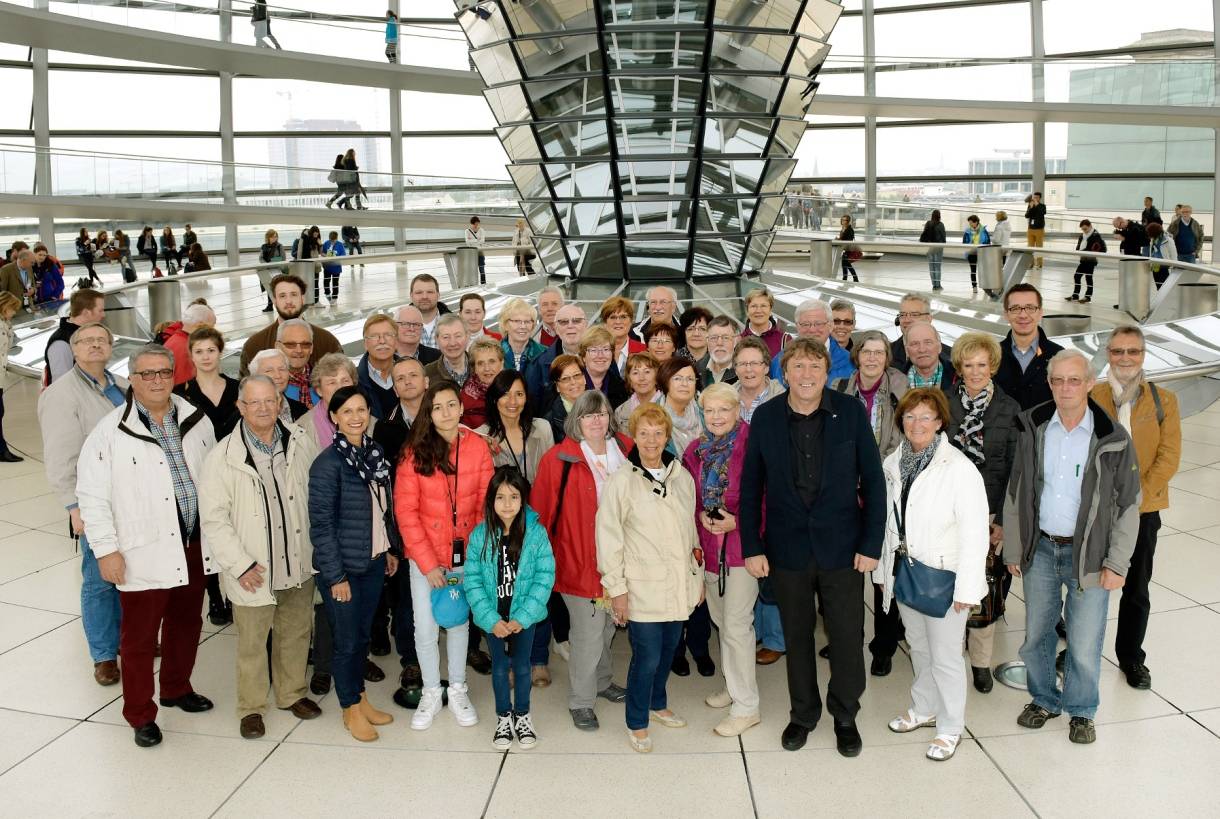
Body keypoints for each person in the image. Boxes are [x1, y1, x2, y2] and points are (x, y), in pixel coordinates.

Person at [739, 338, 886, 756]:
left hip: (843, 549)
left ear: (827, 373)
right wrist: (753, 546)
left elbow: (873, 483)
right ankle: (803, 714)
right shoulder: (766, 418)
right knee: (797, 637)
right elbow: (752, 489)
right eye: (798, 367)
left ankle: (845, 714)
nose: (806, 375)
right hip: (786, 550)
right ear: (784, 373)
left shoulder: (851, 413)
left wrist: (871, 543)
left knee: (845, 635)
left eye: (814, 367)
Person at [77, 344, 219, 748]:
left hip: (192, 543)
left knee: (187, 623)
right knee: (139, 639)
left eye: (163, 372)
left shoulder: (196, 419)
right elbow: (92, 496)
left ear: (174, 374)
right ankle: (140, 713)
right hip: (142, 550)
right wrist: (106, 550)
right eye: (147, 374)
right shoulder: (109, 432)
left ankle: (176, 687)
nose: (157, 380)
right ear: (133, 380)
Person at [1003, 350, 1141, 745]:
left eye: (1074, 380)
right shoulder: (1034, 427)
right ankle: (1044, 699)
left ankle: (1081, 710)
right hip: (1041, 550)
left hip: (1091, 556)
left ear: (1090, 383)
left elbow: (1130, 503)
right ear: (1049, 384)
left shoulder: (1112, 437)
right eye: (1058, 380)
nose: (1066, 387)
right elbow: (1016, 492)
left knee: (1083, 639)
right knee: (1037, 634)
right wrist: (1015, 548)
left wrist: (1117, 562)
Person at [199, 375, 322, 739]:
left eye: (271, 400)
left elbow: (314, 499)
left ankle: (291, 693)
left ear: (280, 403)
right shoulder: (222, 457)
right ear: (241, 407)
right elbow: (214, 520)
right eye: (255, 402)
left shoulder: (300, 443)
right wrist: (239, 565)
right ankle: (251, 707)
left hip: (297, 560)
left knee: (296, 632)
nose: (265, 408)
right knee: (252, 642)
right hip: (254, 568)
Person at [877, 387, 989, 762]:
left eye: (926, 417)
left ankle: (951, 726)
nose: (917, 424)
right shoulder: (894, 463)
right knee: (920, 647)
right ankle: (924, 708)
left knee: (945, 657)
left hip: (945, 578)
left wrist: (969, 588)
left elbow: (976, 535)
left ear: (940, 422)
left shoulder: (958, 469)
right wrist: (883, 573)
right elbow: (889, 525)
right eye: (910, 417)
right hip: (906, 573)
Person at [597, 403, 702, 753]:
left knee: (670, 649)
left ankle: (658, 703)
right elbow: (608, 539)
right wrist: (617, 591)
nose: (652, 440)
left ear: (667, 436)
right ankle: (637, 720)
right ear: (634, 437)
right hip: (641, 586)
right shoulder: (621, 482)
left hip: (678, 583)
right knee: (647, 656)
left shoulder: (681, 476)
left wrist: (697, 579)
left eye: (659, 433)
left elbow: (692, 532)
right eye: (644, 433)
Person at [395, 380, 495, 731]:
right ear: (428, 412)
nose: (446, 413)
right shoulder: (414, 452)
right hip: (425, 559)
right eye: (437, 407)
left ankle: (457, 687)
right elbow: (406, 513)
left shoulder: (478, 448)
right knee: (424, 627)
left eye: (452, 405)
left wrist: (480, 553)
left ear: (461, 407)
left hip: (466, 555)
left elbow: (487, 503)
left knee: (457, 621)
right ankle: (430, 690)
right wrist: (427, 564)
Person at [532, 390, 631, 730]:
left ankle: (602, 682)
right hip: (578, 560)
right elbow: (541, 516)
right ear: (576, 420)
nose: (596, 421)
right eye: (588, 415)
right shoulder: (558, 458)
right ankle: (581, 701)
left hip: (620, 561)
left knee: (606, 628)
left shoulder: (627, 451)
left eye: (601, 413)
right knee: (588, 633)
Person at [1090, 325, 1181, 690]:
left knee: (1136, 587)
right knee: (1087, 584)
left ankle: (1131, 657)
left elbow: (1169, 455)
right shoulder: (1092, 395)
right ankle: (1082, 647)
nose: (1125, 359)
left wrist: (1137, 497)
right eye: (1117, 352)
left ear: (1143, 356)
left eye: (1132, 352)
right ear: (1107, 354)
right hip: (1097, 509)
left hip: (1142, 510)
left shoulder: (1164, 400)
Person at [38, 322, 129, 686]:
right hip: (93, 501)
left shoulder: (119, 388)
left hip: (129, 496)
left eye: (102, 340)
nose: (95, 346)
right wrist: (73, 507)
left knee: (129, 571)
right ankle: (104, 654)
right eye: (87, 341)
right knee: (99, 577)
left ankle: (128, 637)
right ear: (73, 349)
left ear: (111, 346)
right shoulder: (62, 394)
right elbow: (60, 456)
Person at [308, 386, 400, 742]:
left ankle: (361, 699)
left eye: (361, 410)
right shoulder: (327, 465)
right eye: (347, 411)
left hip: (373, 562)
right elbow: (322, 526)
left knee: (361, 637)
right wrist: (335, 576)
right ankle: (349, 708)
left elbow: (381, 510)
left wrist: (389, 548)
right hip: (343, 570)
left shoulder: (375, 454)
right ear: (334, 417)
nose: (356, 417)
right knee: (346, 642)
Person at [682, 383, 761, 737]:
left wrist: (738, 522)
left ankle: (747, 706)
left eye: (723, 410)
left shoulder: (753, 444)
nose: (716, 417)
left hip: (742, 551)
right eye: (709, 410)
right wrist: (700, 515)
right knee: (721, 622)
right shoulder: (695, 451)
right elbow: (688, 497)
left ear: (736, 411)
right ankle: (732, 687)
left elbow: (767, 498)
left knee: (737, 627)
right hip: (709, 551)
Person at [944, 332, 1020, 694]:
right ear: (959, 368)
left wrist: (1003, 522)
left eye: (982, 365)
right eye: (968, 365)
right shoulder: (944, 403)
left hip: (988, 513)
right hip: (949, 511)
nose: (975, 372)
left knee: (983, 590)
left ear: (992, 367)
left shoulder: (1010, 408)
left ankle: (980, 663)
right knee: (948, 588)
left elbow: (1015, 470)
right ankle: (950, 659)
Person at [832, 329, 909, 674]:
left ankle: (883, 645)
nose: (873, 358)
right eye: (867, 352)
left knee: (882, 571)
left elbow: (907, 435)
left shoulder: (900, 388)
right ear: (857, 355)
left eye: (879, 352)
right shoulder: (840, 388)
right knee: (847, 572)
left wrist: (875, 471)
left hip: (886, 485)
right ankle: (847, 639)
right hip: (847, 491)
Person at [465, 468, 556, 748]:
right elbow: (472, 580)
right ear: (490, 500)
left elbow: (545, 576)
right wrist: (489, 618)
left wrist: (524, 616)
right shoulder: (480, 536)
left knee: (523, 667)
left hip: (523, 619)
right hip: (494, 619)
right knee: (500, 667)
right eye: (500, 497)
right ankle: (503, 716)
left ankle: (523, 715)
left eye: (514, 497)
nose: (507, 504)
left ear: (523, 499)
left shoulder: (536, 534)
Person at [239, 274, 342, 376]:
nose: (288, 301)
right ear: (275, 301)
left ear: (303, 298)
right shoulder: (254, 346)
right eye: (282, 296)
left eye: (294, 294)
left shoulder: (328, 342)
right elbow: (245, 387)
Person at [995, 283, 1063, 411]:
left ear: (1040, 312)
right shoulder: (993, 355)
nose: (1023, 315)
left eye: (1030, 308)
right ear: (1006, 314)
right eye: (1015, 308)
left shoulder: (1058, 355)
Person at [525, 303, 586, 408]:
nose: (570, 325)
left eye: (576, 321)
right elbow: (532, 408)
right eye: (564, 322)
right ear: (556, 328)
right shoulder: (539, 364)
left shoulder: (601, 359)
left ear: (586, 325)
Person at [300, 352, 360, 452]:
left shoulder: (369, 420)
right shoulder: (303, 429)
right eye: (332, 382)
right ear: (319, 390)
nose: (340, 387)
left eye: (345, 380)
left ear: (353, 384)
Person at [44, 288, 106, 385]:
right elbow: (62, 386)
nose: (104, 315)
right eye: (100, 310)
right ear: (86, 313)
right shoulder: (61, 344)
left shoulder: (85, 334)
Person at [793, 299, 853, 382]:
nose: (812, 330)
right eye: (805, 324)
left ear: (831, 326)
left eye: (819, 324)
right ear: (797, 327)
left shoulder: (851, 363)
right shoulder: (779, 362)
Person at [889, 294, 950, 372]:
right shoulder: (885, 355)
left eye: (914, 315)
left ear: (928, 319)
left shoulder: (952, 356)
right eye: (903, 315)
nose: (907, 320)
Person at [160, 302, 215, 386]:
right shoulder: (188, 350)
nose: (213, 332)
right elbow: (187, 389)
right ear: (200, 325)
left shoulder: (173, 340)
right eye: (211, 327)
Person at [658, 356, 703, 458]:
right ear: (665, 381)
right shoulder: (652, 417)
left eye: (690, 379)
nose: (684, 384)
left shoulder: (705, 413)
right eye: (678, 378)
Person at [733, 337, 784, 424]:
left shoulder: (783, 401)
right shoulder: (724, 398)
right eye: (742, 364)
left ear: (766, 368)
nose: (748, 369)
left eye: (755, 363)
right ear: (735, 369)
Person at [249, 349, 309, 423]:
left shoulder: (301, 410)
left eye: (282, 369)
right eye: (269, 370)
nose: (278, 375)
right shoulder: (244, 414)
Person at [580, 326, 629, 408]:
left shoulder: (622, 388)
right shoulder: (572, 385)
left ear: (612, 354)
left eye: (606, 349)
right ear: (583, 356)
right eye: (593, 350)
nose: (600, 355)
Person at [461, 338, 505, 428]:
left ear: (502, 363)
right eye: (480, 363)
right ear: (474, 368)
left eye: (492, 361)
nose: (487, 368)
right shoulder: (464, 400)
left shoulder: (514, 388)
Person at [276, 319, 320, 408]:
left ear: (311, 348)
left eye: (305, 344)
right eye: (291, 344)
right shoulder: (269, 385)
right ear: (277, 347)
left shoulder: (322, 380)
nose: (299, 350)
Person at [741, 287, 792, 360]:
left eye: (763, 306)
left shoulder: (784, 341)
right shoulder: (738, 340)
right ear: (747, 311)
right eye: (753, 306)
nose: (758, 310)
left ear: (770, 310)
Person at [614, 351, 662, 429]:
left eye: (647, 372)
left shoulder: (669, 406)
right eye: (635, 373)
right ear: (629, 380)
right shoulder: (620, 412)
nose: (642, 378)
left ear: (657, 377)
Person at [543, 354, 586, 441]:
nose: (573, 382)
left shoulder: (601, 407)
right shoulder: (548, 423)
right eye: (565, 379)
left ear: (584, 378)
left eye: (577, 375)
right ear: (557, 387)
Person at [600, 296, 646, 375]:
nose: (618, 322)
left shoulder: (643, 351)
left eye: (623, 317)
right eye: (613, 317)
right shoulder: (594, 351)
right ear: (605, 322)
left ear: (631, 321)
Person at [904, 321, 956, 390]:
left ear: (939, 347)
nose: (922, 349)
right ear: (907, 351)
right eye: (915, 344)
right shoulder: (893, 380)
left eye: (928, 342)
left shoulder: (958, 376)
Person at [499, 297, 546, 372]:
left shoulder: (545, 353)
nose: (523, 326)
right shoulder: (493, 353)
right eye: (517, 321)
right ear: (505, 324)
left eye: (527, 321)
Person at [424, 314, 471, 386]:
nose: (452, 343)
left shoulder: (481, 366)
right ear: (437, 339)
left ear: (467, 336)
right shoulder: (427, 374)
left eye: (458, 336)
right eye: (446, 337)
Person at [1067, 220, 1106, 304]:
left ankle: (1087, 297)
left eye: (1085, 229)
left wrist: (1082, 251)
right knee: (1077, 276)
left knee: (1088, 277)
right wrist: (1078, 251)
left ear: (1090, 226)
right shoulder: (1083, 235)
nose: (1084, 231)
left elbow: (1093, 248)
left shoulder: (1095, 235)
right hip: (1083, 259)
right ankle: (1075, 295)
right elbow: (1078, 246)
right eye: (1082, 229)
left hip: (1090, 260)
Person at [0, 294, 18, 462]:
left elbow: (9, 344)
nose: (14, 312)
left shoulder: (4, 324)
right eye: (13, 309)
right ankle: (1, 450)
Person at [411, 274, 450, 348]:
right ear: (411, 296)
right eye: (419, 292)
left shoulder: (454, 324)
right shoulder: (399, 327)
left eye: (430, 292)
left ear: (438, 295)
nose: (424, 297)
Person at [702, 315, 738, 388]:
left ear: (735, 341)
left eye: (725, 338)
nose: (719, 343)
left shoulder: (745, 371)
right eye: (714, 338)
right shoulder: (696, 369)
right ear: (707, 341)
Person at [0, 249, 36, 314]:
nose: (33, 265)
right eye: (31, 262)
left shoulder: (29, 268)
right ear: (23, 260)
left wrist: (33, 290)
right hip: (13, 309)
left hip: (29, 307)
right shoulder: (6, 270)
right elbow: (2, 291)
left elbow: (33, 285)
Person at [962, 214, 991, 293]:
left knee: (984, 271)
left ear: (976, 222)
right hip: (971, 253)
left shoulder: (984, 231)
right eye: (969, 223)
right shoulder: (967, 231)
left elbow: (988, 242)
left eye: (971, 222)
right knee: (973, 270)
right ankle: (974, 287)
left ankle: (986, 287)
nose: (970, 224)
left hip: (982, 253)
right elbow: (964, 242)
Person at [919, 209, 947, 290]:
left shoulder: (928, 223)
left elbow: (924, 235)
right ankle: (938, 285)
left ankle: (934, 285)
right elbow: (944, 237)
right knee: (937, 267)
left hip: (930, 248)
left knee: (931, 267)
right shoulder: (941, 225)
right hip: (938, 248)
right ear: (939, 216)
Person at [1145, 222, 1178, 289]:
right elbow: (1152, 252)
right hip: (1155, 265)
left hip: (1165, 266)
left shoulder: (1168, 240)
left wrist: (1174, 266)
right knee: (1158, 286)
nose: (1148, 235)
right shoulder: (1153, 239)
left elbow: (1174, 254)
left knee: (1165, 287)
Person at [321, 231, 346, 303]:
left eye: (334, 240)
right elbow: (322, 253)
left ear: (337, 238)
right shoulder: (326, 243)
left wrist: (336, 256)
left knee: (335, 282)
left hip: (336, 267)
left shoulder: (340, 244)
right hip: (327, 267)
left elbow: (343, 255)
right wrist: (326, 255)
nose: (332, 242)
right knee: (326, 281)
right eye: (331, 240)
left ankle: (335, 297)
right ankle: (327, 293)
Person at [1024, 191, 1046, 269]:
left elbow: (1042, 213)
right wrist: (1031, 207)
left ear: (1040, 198)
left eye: (1037, 197)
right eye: (1034, 197)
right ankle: (1031, 263)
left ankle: (1039, 264)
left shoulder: (1042, 206)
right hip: (1030, 229)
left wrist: (1036, 205)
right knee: (1030, 247)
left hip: (1039, 229)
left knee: (1039, 247)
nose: (1035, 198)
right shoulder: (1030, 205)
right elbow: (1026, 215)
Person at [465, 216, 488, 285]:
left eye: (477, 223)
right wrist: (477, 240)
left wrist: (472, 240)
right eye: (475, 223)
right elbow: (467, 242)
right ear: (472, 223)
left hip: (480, 252)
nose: (476, 225)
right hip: (471, 252)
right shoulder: (467, 231)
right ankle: (473, 285)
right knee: (472, 270)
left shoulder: (481, 230)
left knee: (482, 269)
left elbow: (482, 241)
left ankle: (483, 284)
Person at [838, 215, 859, 281]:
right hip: (844, 249)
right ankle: (846, 278)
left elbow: (849, 240)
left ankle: (854, 278)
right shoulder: (844, 228)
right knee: (845, 264)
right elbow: (841, 237)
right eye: (842, 220)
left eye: (845, 220)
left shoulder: (850, 230)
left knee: (847, 264)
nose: (843, 221)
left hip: (848, 249)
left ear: (848, 221)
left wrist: (841, 239)